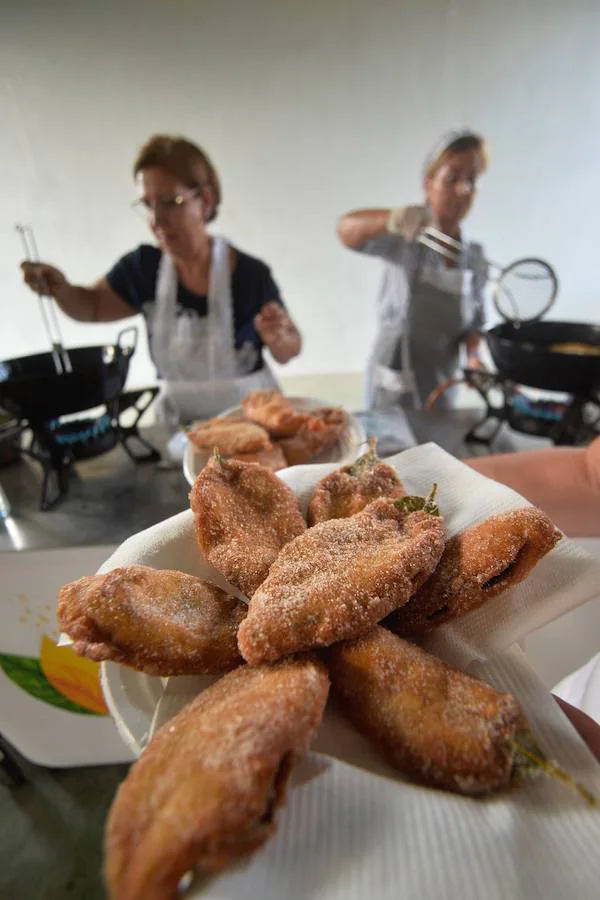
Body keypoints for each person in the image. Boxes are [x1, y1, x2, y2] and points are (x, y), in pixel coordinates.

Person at [21, 135, 302, 428]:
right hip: (182, 429)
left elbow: (287, 350)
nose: (156, 219)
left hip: (254, 424)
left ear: (204, 201)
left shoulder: (249, 274)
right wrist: (61, 290)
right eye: (147, 204)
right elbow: (91, 307)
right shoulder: (142, 268)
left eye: (170, 202)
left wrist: (282, 338)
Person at [337, 129, 489, 411]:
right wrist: (391, 219)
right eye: (452, 178)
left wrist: (474, 356)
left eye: (471, 181)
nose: (462, 190)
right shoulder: (406, 240)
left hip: (441, 385)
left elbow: (474, 325)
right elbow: (346, 231)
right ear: (428, 183)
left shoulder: (475, 258)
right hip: (393, 380)